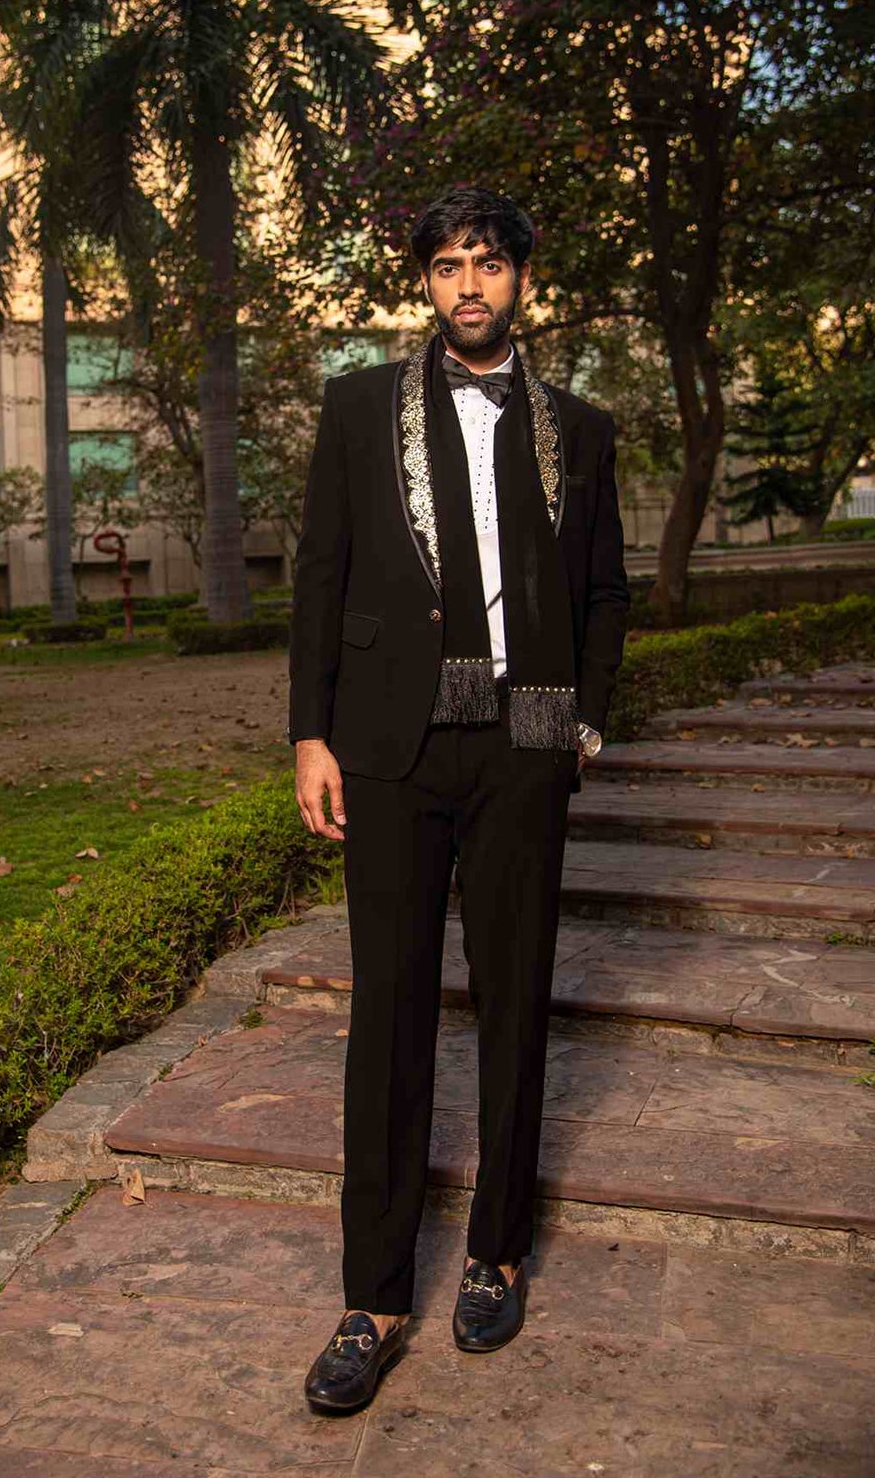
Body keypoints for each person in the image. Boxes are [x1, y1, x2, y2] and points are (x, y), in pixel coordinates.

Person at [288, 184, 630, 1414]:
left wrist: (582, 722)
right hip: (388, 747)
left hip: (524, 744)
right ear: (425, 284)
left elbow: (603, 595)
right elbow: (319, 576)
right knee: (387, 1014)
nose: (467, 284)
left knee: (513, 1002)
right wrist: (309, 733)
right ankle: (372, 1295)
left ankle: (494, 1251)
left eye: (487, 262)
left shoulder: (580, 430)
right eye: (446, 267)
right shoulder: (358, 407)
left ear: (521, 276)